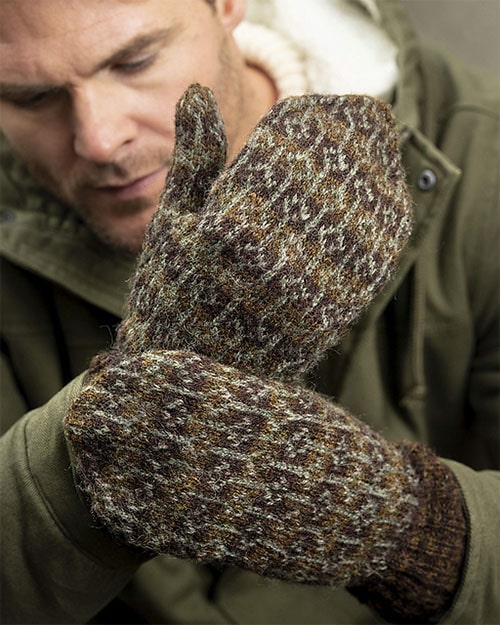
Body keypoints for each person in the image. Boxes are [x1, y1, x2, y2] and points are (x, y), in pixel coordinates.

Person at [0, 0, 498, 623]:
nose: (100, 139)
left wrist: (418, 535)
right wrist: (101, 453)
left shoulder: (483, 155)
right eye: (31, 97)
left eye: (135, 61)